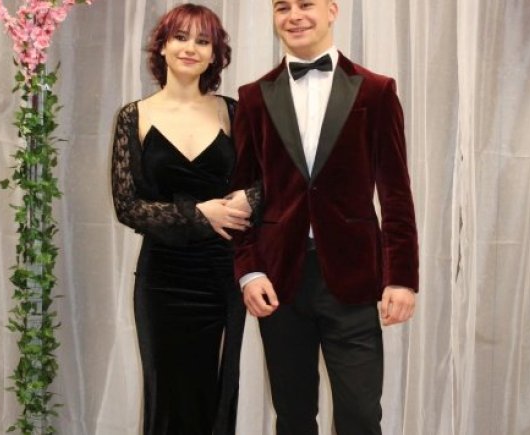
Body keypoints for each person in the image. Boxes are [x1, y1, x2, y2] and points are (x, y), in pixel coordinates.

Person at [231, 1, 420, 434]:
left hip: (354, 278)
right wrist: (248, 272)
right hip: (279, 280)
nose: (294, 16)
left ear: (332, 10)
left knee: (360, 415)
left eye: (306, 4)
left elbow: (396, 194)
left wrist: (401, 278)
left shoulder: (376, 91)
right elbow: (241, 197)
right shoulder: (253, 97)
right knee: (293, 416)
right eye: (282, 7)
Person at [111, 4, 255, 434]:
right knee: (165, 394)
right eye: (181, 37)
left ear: (215, 55)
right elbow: (127, 205)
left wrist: (249, 199)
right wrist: (199, 214)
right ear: (163, 46)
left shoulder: (234, 111)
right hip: (162, 280)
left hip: (222, 275)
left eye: (202, 41)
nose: (190, 48)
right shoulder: (133, 116)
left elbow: (267, 183)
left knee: (216, 392)